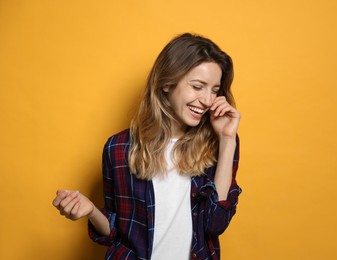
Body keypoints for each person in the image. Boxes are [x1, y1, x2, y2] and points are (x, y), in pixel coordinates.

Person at [52, 33, 241, 260]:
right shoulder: (119, 148)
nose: (208, 100)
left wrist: (228, 139)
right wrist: (91, 211)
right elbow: (115, 233)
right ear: (167, 83)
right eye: (198, 86)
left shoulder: (218, 143)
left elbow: (215, 224)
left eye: (214, 90)